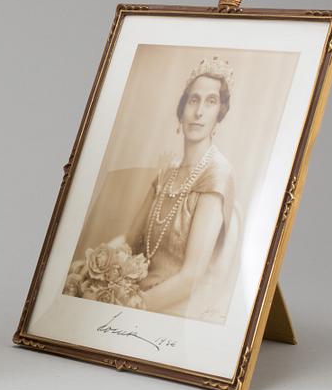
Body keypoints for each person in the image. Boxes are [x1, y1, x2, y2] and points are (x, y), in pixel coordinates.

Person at [102, 56, 240, 322]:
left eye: (210, 102)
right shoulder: (167, 172)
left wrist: (133, 306)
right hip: (137, 289)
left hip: (174, 310)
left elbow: (190, 279)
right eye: (193, 100)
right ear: (182, 110)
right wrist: (96, 264)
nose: (199, 112)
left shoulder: (216, 176)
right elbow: (130, 241)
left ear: (219, 114)